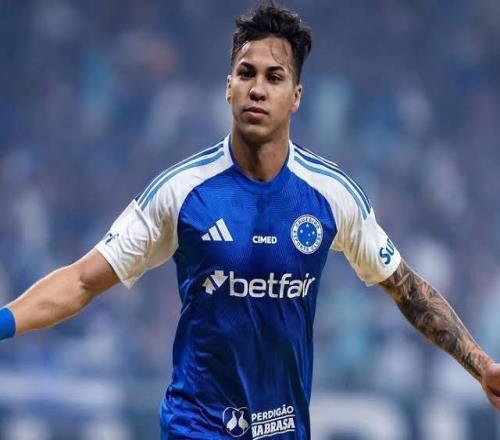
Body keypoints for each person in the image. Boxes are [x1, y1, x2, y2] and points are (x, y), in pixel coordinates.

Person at [1, 2, 500, 439]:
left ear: (296, 95)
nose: (257, 89)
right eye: (246, 73)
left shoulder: (331, 195)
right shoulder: (182, 191)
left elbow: (407, 290)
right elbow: (82, 281)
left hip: (283, 429)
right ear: (228, 87)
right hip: (196, 427)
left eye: (273, 77)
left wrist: (481, 367)